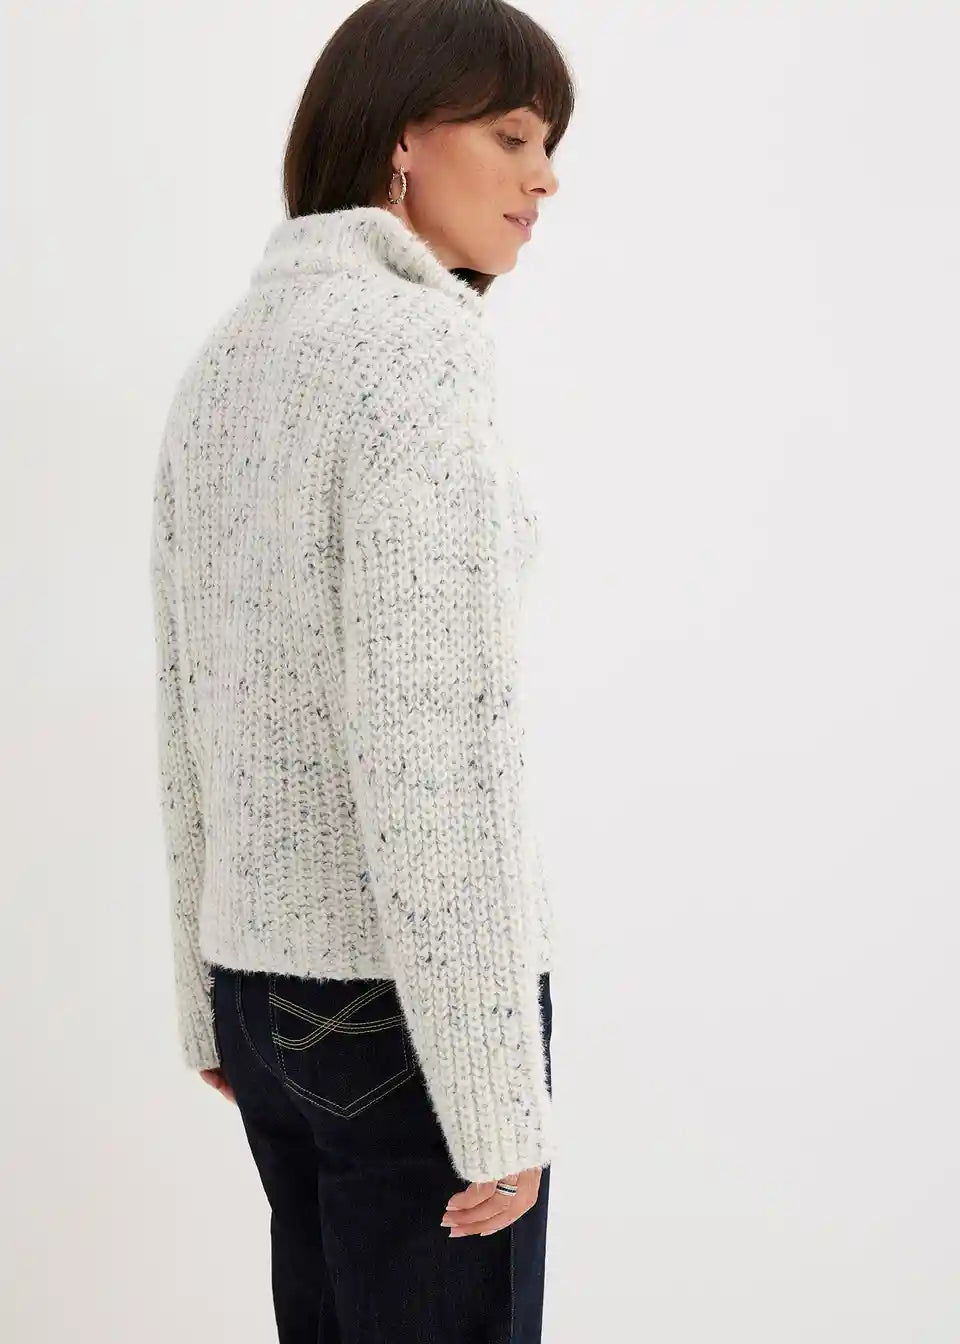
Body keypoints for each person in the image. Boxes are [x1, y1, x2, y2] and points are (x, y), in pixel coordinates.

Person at [148, 1, 575, 1338]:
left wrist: (206, 997)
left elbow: (188, 698)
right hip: (409, 1016)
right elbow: (434, 742)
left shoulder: (229, 357)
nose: (545, 179)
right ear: (402, 139)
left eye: (550, 146)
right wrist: (496, 1094)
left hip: (262, 993)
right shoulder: (416, 354)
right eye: (513, 136)